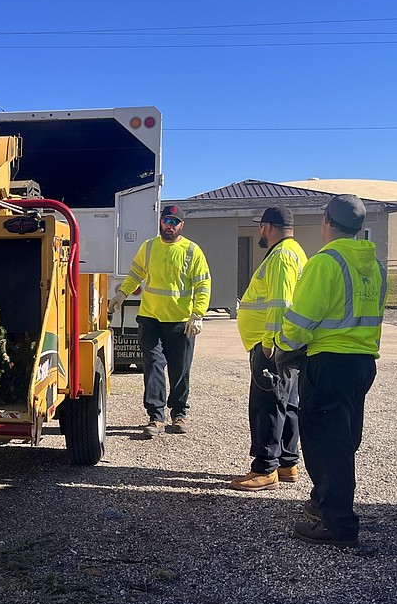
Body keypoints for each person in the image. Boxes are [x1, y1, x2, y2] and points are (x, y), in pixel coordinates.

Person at [276, 194, 386, 548]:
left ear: (326, 221)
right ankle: (325, 501)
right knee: (345, 438)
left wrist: (282, 346)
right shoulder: (374, 264)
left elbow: (301, 319)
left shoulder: (326, 262)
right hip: (362, 362)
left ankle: (335, 521)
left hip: (329, 362)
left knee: (326, 442)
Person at [109, 204, 211, 438]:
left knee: (180, 369)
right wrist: (122, 294)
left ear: (181, 226)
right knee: (153, 366)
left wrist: (198, 314)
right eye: (167, 220)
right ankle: (155, 416)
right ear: (160, 222)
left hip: (180, 321)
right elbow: (135, 274)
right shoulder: (149, 247)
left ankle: (179, 413)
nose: (170, 225)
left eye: (174, 222)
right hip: (150, 318)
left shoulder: (192, 251)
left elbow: (203, 284)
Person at [231, 206, 307, 492]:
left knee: (267, 405)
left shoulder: (281, 257)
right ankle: (287, 463)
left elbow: (280, 303)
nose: (260, 232)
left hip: (271, 346)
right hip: (283, 344)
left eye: (261, 227)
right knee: (287, 404)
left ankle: (264, 469)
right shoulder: (294, 251)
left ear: (267, 227)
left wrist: (269, 342)